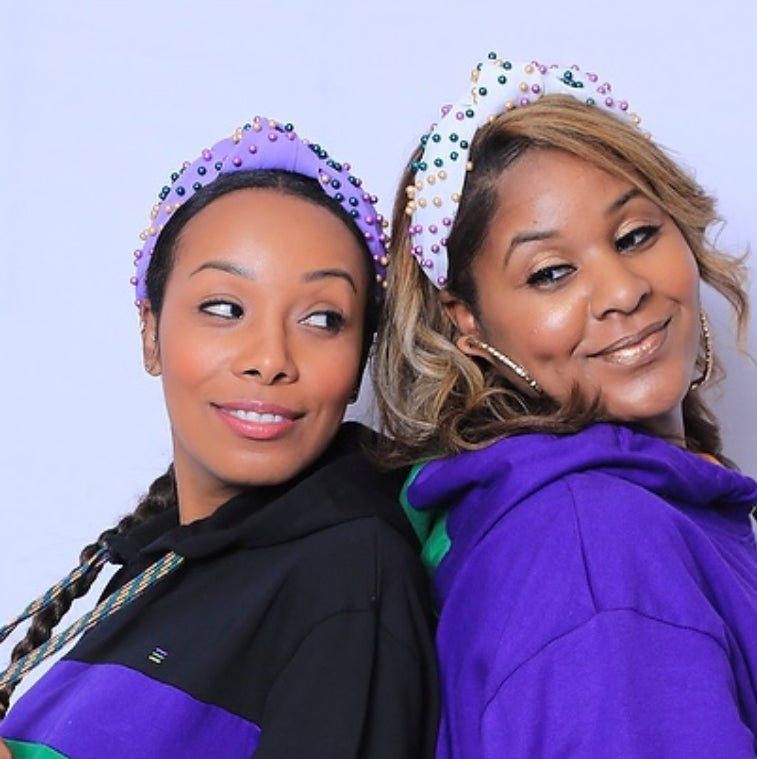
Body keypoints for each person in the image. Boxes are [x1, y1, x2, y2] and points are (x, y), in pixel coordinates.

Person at [372, 54, 757, 759]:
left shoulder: (625, 511)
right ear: (467, 321)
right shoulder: (596, 547)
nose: (622, 290)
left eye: (636, 235)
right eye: (551, 272)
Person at [0, 116, 439, 759]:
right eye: (226, 309)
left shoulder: (349, 577)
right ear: (151, 333)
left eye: (322, 319)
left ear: (358, 362)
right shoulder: (155, 566)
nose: (270, 359)